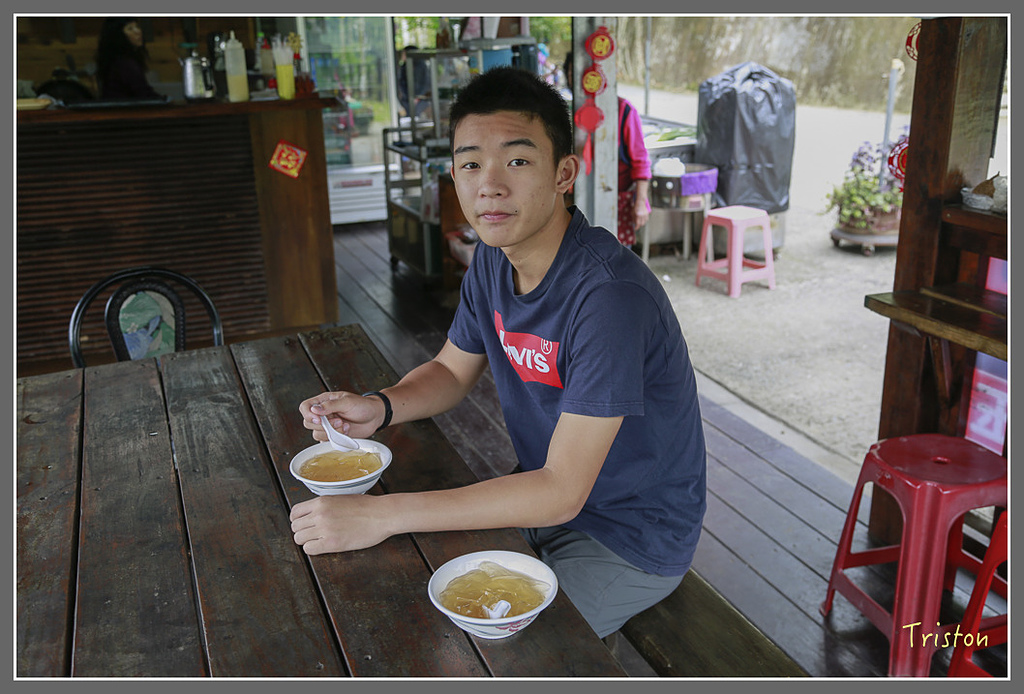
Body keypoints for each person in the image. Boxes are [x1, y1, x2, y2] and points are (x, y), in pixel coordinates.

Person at [291, 66, 707, 639]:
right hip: (542, 497)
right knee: (410, 599)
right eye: (470, 165)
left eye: (517, 161)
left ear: (564, 173)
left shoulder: (609, 297)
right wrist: (379, 407)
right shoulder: (494, 256)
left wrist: (382, 513)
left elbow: (561, 491)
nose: (489, 185)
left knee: (513, 652)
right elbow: (450, 369)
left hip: (629, 532)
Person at [564, 52, 652, 247]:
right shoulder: (568, 111)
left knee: (613, 255)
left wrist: (640, 203)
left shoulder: (623, 110)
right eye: (571, 73)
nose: (576, 79)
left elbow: (641, 162)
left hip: (616, 201)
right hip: (574, 200)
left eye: (582, 74)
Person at [94, 17, 161, 99]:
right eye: (130, 29)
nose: (138, 31)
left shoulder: (117, 60)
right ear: (118, 35)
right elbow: (143, 93)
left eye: (137, 27)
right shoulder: (124, 63)